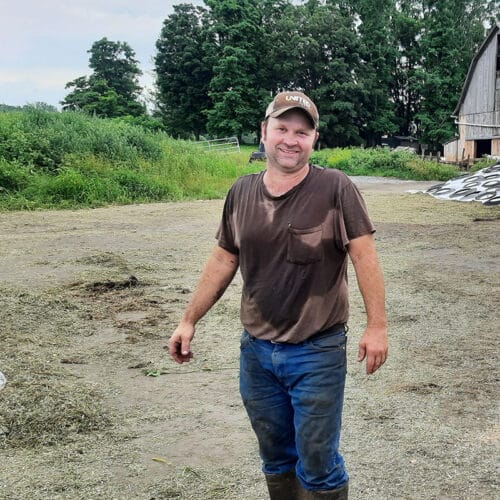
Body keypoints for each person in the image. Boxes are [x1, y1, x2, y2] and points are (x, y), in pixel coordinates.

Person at [169, 91, 388, 499]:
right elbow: (223, 259)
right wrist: (189, 319)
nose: (291, 139)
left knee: (318, 461)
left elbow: (365, 256)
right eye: (282, 128)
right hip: (256, 353)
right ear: (264, 132)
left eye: (302, 132)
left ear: (314, 139)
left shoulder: (335, 188)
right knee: (275, 456)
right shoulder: (242, 192)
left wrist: (377, 326)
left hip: (317, 351)